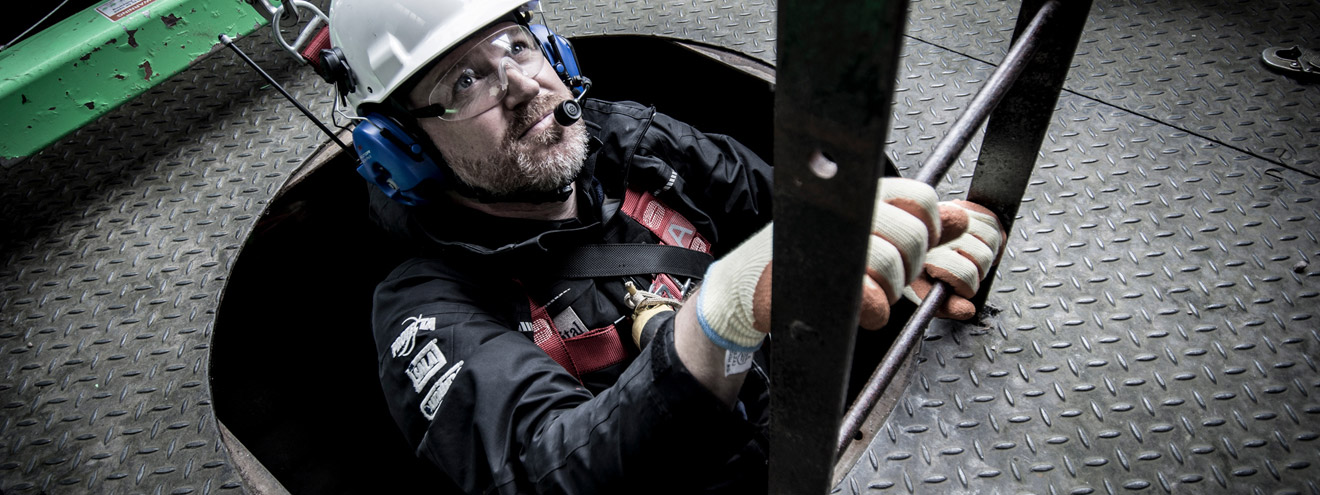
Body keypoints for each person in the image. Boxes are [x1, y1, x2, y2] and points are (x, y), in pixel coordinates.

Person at [321, 0, 1007, 492]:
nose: (525, 87)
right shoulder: (426, 308)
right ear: (403, 147)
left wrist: (887, 239)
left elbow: (780, 207)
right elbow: (548, 469)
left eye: (517, 46)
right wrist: (720, 317)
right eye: (465, 81)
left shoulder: (628, 142)